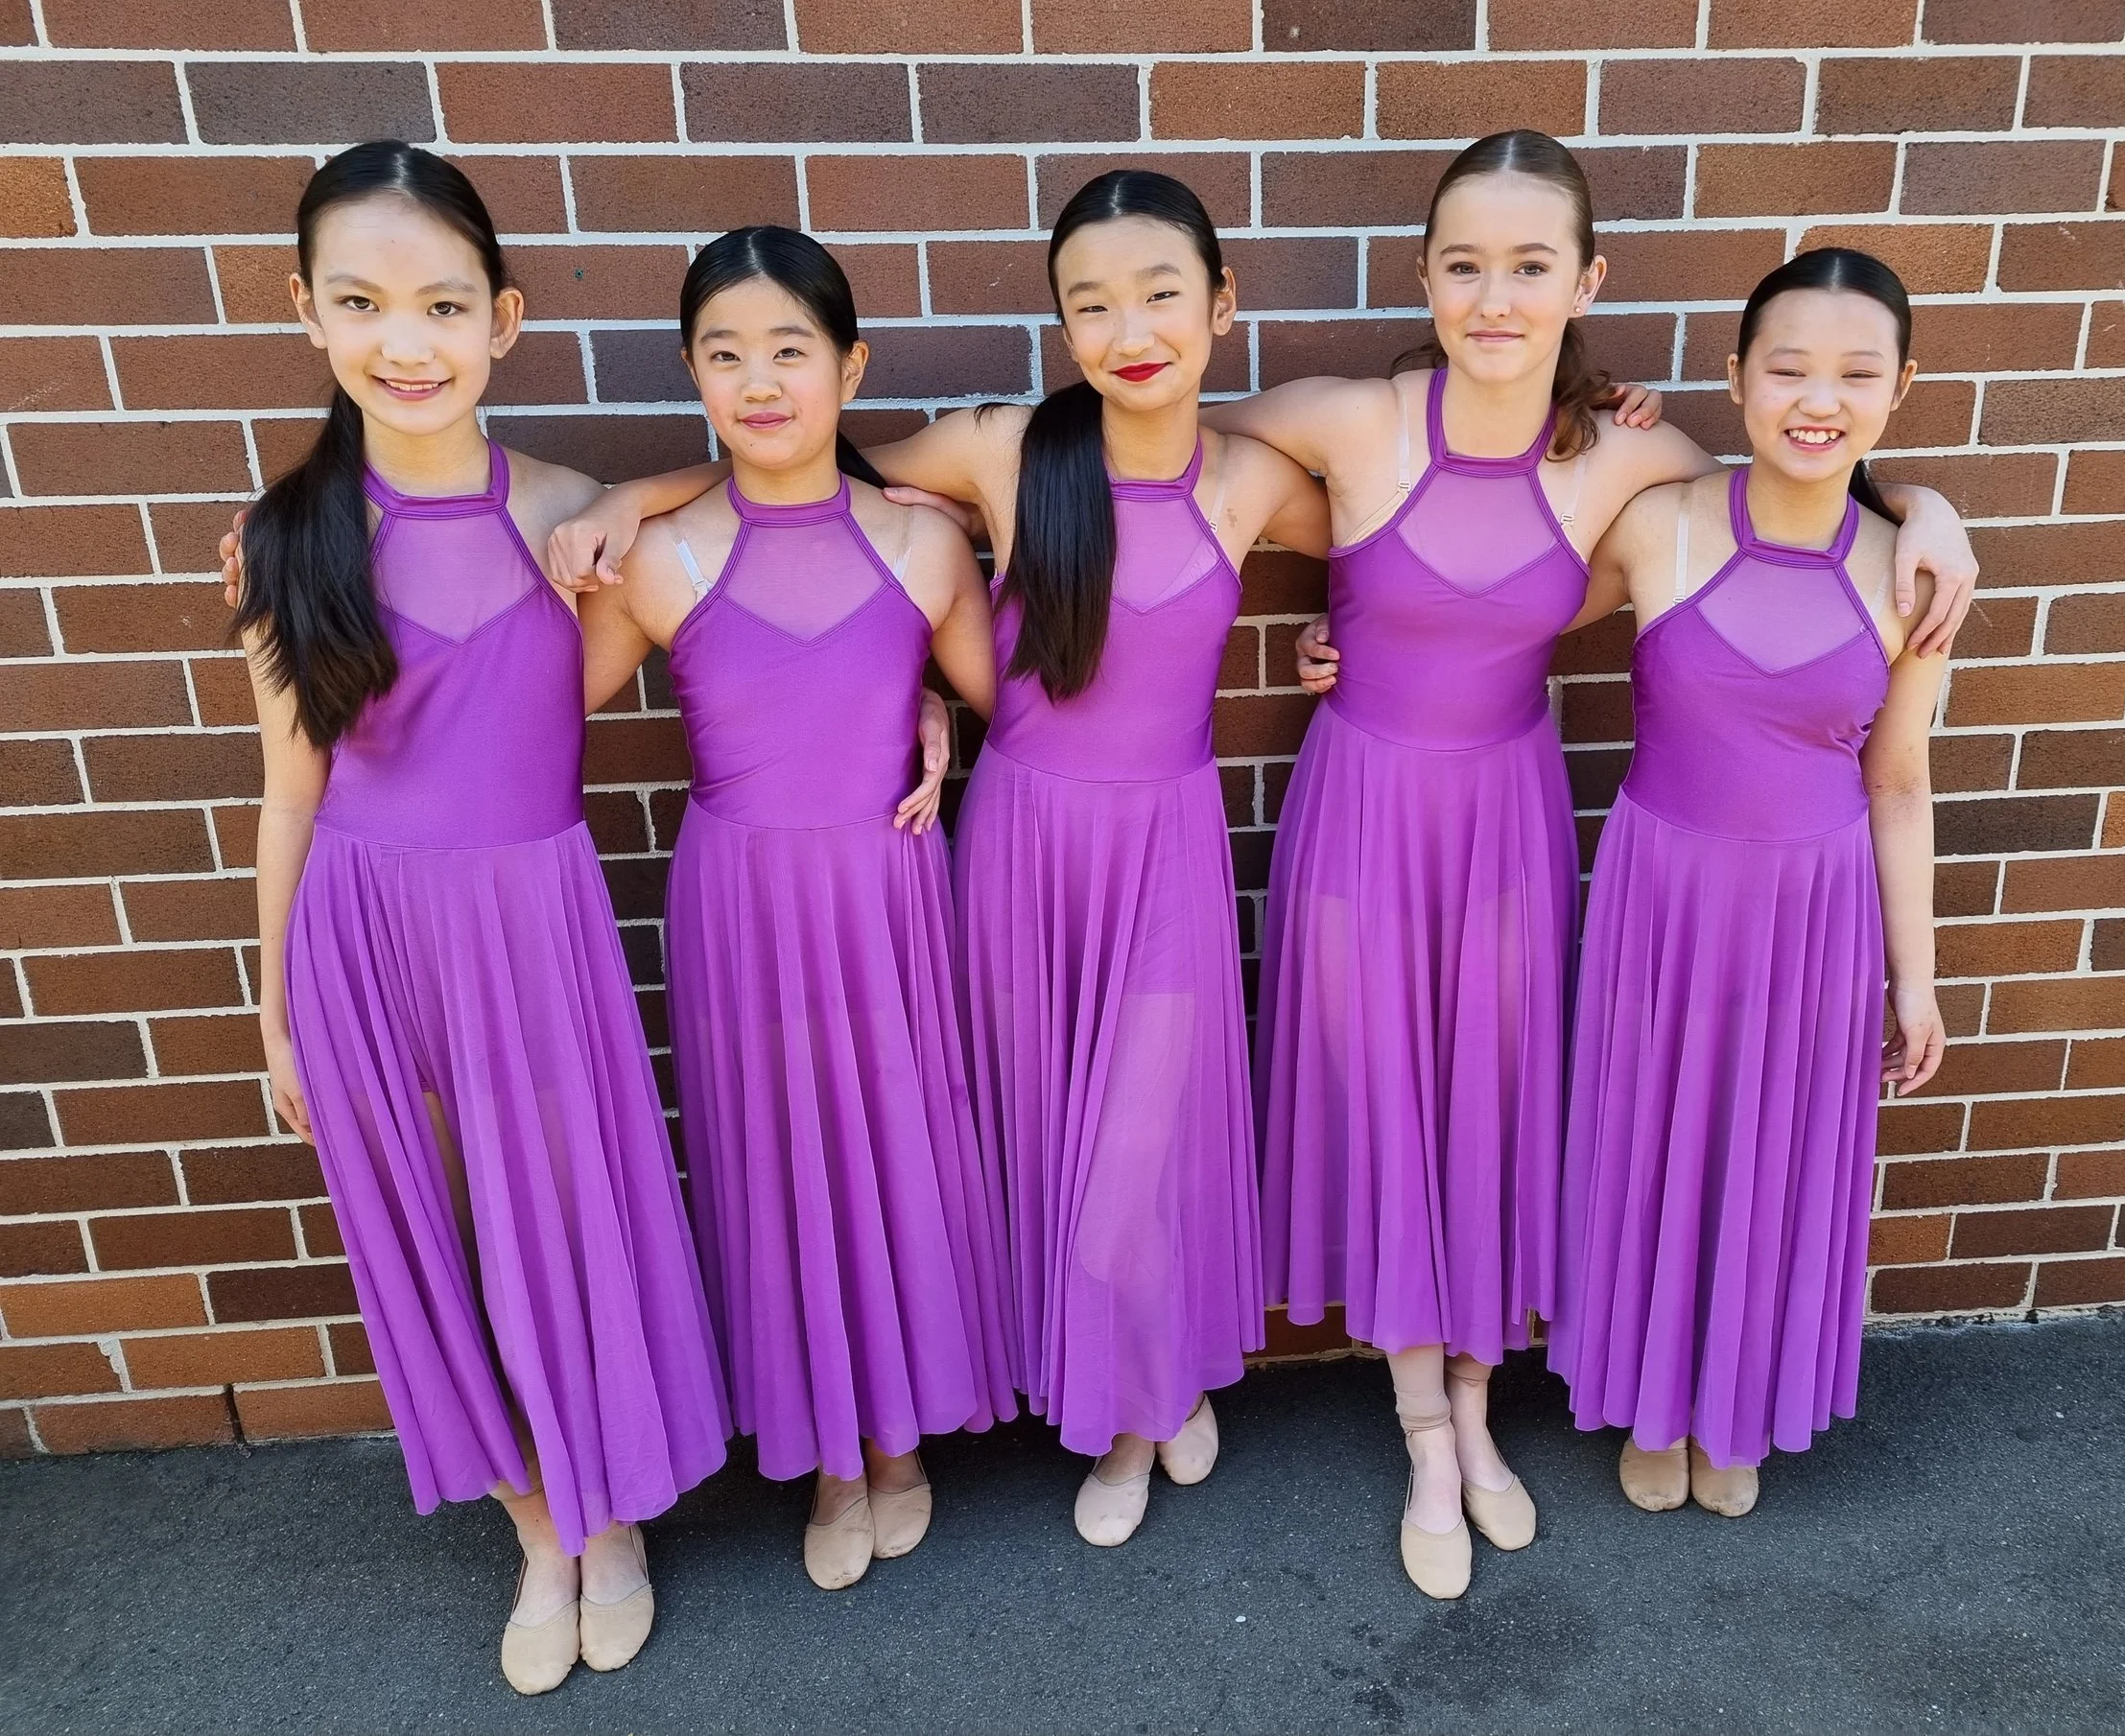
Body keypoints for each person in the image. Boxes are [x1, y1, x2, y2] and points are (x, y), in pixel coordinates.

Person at [1216, 130, 1978, 1599]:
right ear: (1425, 275)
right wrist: (1346, 623)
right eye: (1464, 264)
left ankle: (1486, 1411)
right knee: (1386, 1094)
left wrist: (1933, 513)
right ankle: (1424, 1426)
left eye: (1530, 265)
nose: (1494, 295)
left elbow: (1805, 498)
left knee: (1493, 1108)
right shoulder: (1347, 415)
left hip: (1511, 820)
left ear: (1587, 282)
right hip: (1363, 817)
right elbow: (1162, 456)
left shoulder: (1635, 459)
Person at [549, 170, 1332, 1549]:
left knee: (1142, 1141)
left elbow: (1400, 550)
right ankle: (1124, 1373)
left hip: (1163, 845)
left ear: (1220, 303)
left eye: (1160, 292)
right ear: (1061, 324)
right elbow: (812, 467)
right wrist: (629, 496)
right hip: (1019, 845)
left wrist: (1366, 641)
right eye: (1090, 301)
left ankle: (1136, 1407)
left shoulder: (1256, 473)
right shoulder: (1004, 450)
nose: (1128, 326)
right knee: (1044, 1134)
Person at [232, 142, 724, 1695]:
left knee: (560, 1224)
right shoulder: (289, 539)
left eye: (444, 303)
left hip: (536, 926)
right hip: (366, 937)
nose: (407, 340)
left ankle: (613, 1519)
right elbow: (290, 798)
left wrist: (630, 497)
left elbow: (745, 466)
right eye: (364, 301)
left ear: (503, 319)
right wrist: (275, 1011)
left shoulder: (569, 511)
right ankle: (535, 1527)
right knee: (442, 1240)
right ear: (304, 309)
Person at [572, 226, 1013, 1590]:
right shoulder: (661, 556)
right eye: (724, 353)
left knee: (895, 1143)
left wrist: (932, 706)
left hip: (885, 893)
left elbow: (1027, 706)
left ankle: (899, 1437)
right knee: (779, 1159)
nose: (760, 380)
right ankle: (830, 1451)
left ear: (849, 364)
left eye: (790, 349)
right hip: (742, 905)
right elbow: (521, 718)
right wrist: (313, 555)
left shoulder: (925, 545)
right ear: (694, 374)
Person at [1548, 247, 1948, 1519]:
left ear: (1898, 389)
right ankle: (1653, 1399)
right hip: (1663, 901)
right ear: (1735, 378)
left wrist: (1916, 974)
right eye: (1787, 368)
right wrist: (1361, 640)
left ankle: (1738, 1406)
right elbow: (1507, 622)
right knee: (1652, 1144)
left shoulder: (1910, 572)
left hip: (1812, 922)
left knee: (1770, 1158)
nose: (1816, 398)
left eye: (1854, 373)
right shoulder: (1660, 524)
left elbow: (1899, 784)